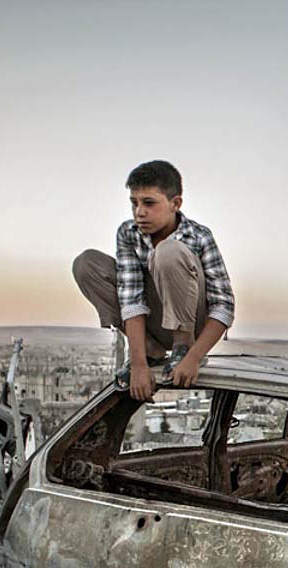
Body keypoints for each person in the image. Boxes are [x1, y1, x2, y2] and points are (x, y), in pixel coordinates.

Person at [72, 160, 235, 401]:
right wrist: (139, 364)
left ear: (175, 203)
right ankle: (151, 349)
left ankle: (183, 346)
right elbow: (131, 297)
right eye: (134, 203)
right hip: (153, 323)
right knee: (87, 264)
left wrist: (194, 357)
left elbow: (224, 306)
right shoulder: (128, 233)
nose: (140, 212)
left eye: (149, 203)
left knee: (169, 252)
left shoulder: (199, 236)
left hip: (193, 327)